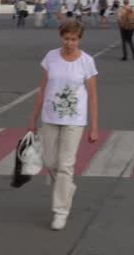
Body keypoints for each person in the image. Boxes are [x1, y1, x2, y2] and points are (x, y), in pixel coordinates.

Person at [28, 20, 99, 231]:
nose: (70, 43)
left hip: (74, 121)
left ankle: (60, 211)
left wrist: (94, 126)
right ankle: (67, 187)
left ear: (80, 39)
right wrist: (33, 118)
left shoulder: (86, 62)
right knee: (50, 162)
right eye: (66, 38)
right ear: (61, 37)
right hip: (50, 117)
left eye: (74, 39)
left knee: (66, 165)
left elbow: (93, 97)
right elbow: (42, 89)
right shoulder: (51, 57)